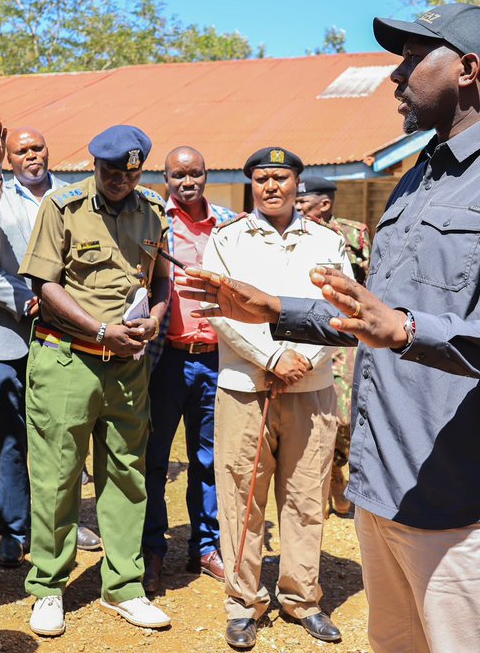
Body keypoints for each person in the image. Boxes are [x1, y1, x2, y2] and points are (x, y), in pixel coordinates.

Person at [179, 3, 480, 653]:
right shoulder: (415, 176)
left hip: (458, 502)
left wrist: (403, 328)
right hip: (380, 487)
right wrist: (274, 311)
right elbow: (373, 318)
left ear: (465, 69)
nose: (395, 79)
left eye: (409, 62)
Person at [18, 124, 171, 636]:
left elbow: (160, 281)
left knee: (127, 474)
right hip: (68, 361)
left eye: (128, 175)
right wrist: (102, 329)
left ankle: (124, 586)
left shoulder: (154, 211)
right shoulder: (61, 209)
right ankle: (48, 586)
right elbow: (46, 285)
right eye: (109, 173)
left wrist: (155, 318)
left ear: (140, 171)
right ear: (94, 166)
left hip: (128, 366)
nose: (118, 183)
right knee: (57, 476)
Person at [205, 147, 351, 650]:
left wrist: (303, 359)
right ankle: (243, 603)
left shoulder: (327, 241)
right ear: (251, 184)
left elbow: (342, 306)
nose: (272, 187)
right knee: (243, 499)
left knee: (307, 497)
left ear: (297, 184)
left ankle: (301, 598)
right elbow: (217, 308)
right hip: (245, 388)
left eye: (281, 178)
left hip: (311, 388)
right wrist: (269, 358)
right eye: (262, 178)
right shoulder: (226, 239)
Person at [0, 125, 103, 568]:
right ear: (8, 159)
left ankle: (63, 523)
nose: (32, 156)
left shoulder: (78, 197)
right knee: (7, 435)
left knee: (62, 433)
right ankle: (13, 530)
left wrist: (66, 308)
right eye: (22, 151)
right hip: (5, 334)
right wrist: (24, 300)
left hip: (66, 333)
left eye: (38, 147)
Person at [141, 146, 234, 594]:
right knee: (154, 458)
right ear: (165, 178)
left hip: (216, 359)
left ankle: (205, 546)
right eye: (178, 175)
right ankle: (152, 549)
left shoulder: (231, 223)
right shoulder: (153, 221)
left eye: (195, 173)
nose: (187, 181)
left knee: (209, 459)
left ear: (206, 174)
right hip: (166, 360)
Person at [293, 174, 370, 516]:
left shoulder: (354, 233)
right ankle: (328, 478)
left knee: (346, 412)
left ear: (324, 204)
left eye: (302, 202)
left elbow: (371, 279)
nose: (297, 207)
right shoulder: (293, 233)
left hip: (345, 333)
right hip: (305, 327)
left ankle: (341, 473)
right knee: (316, 411)